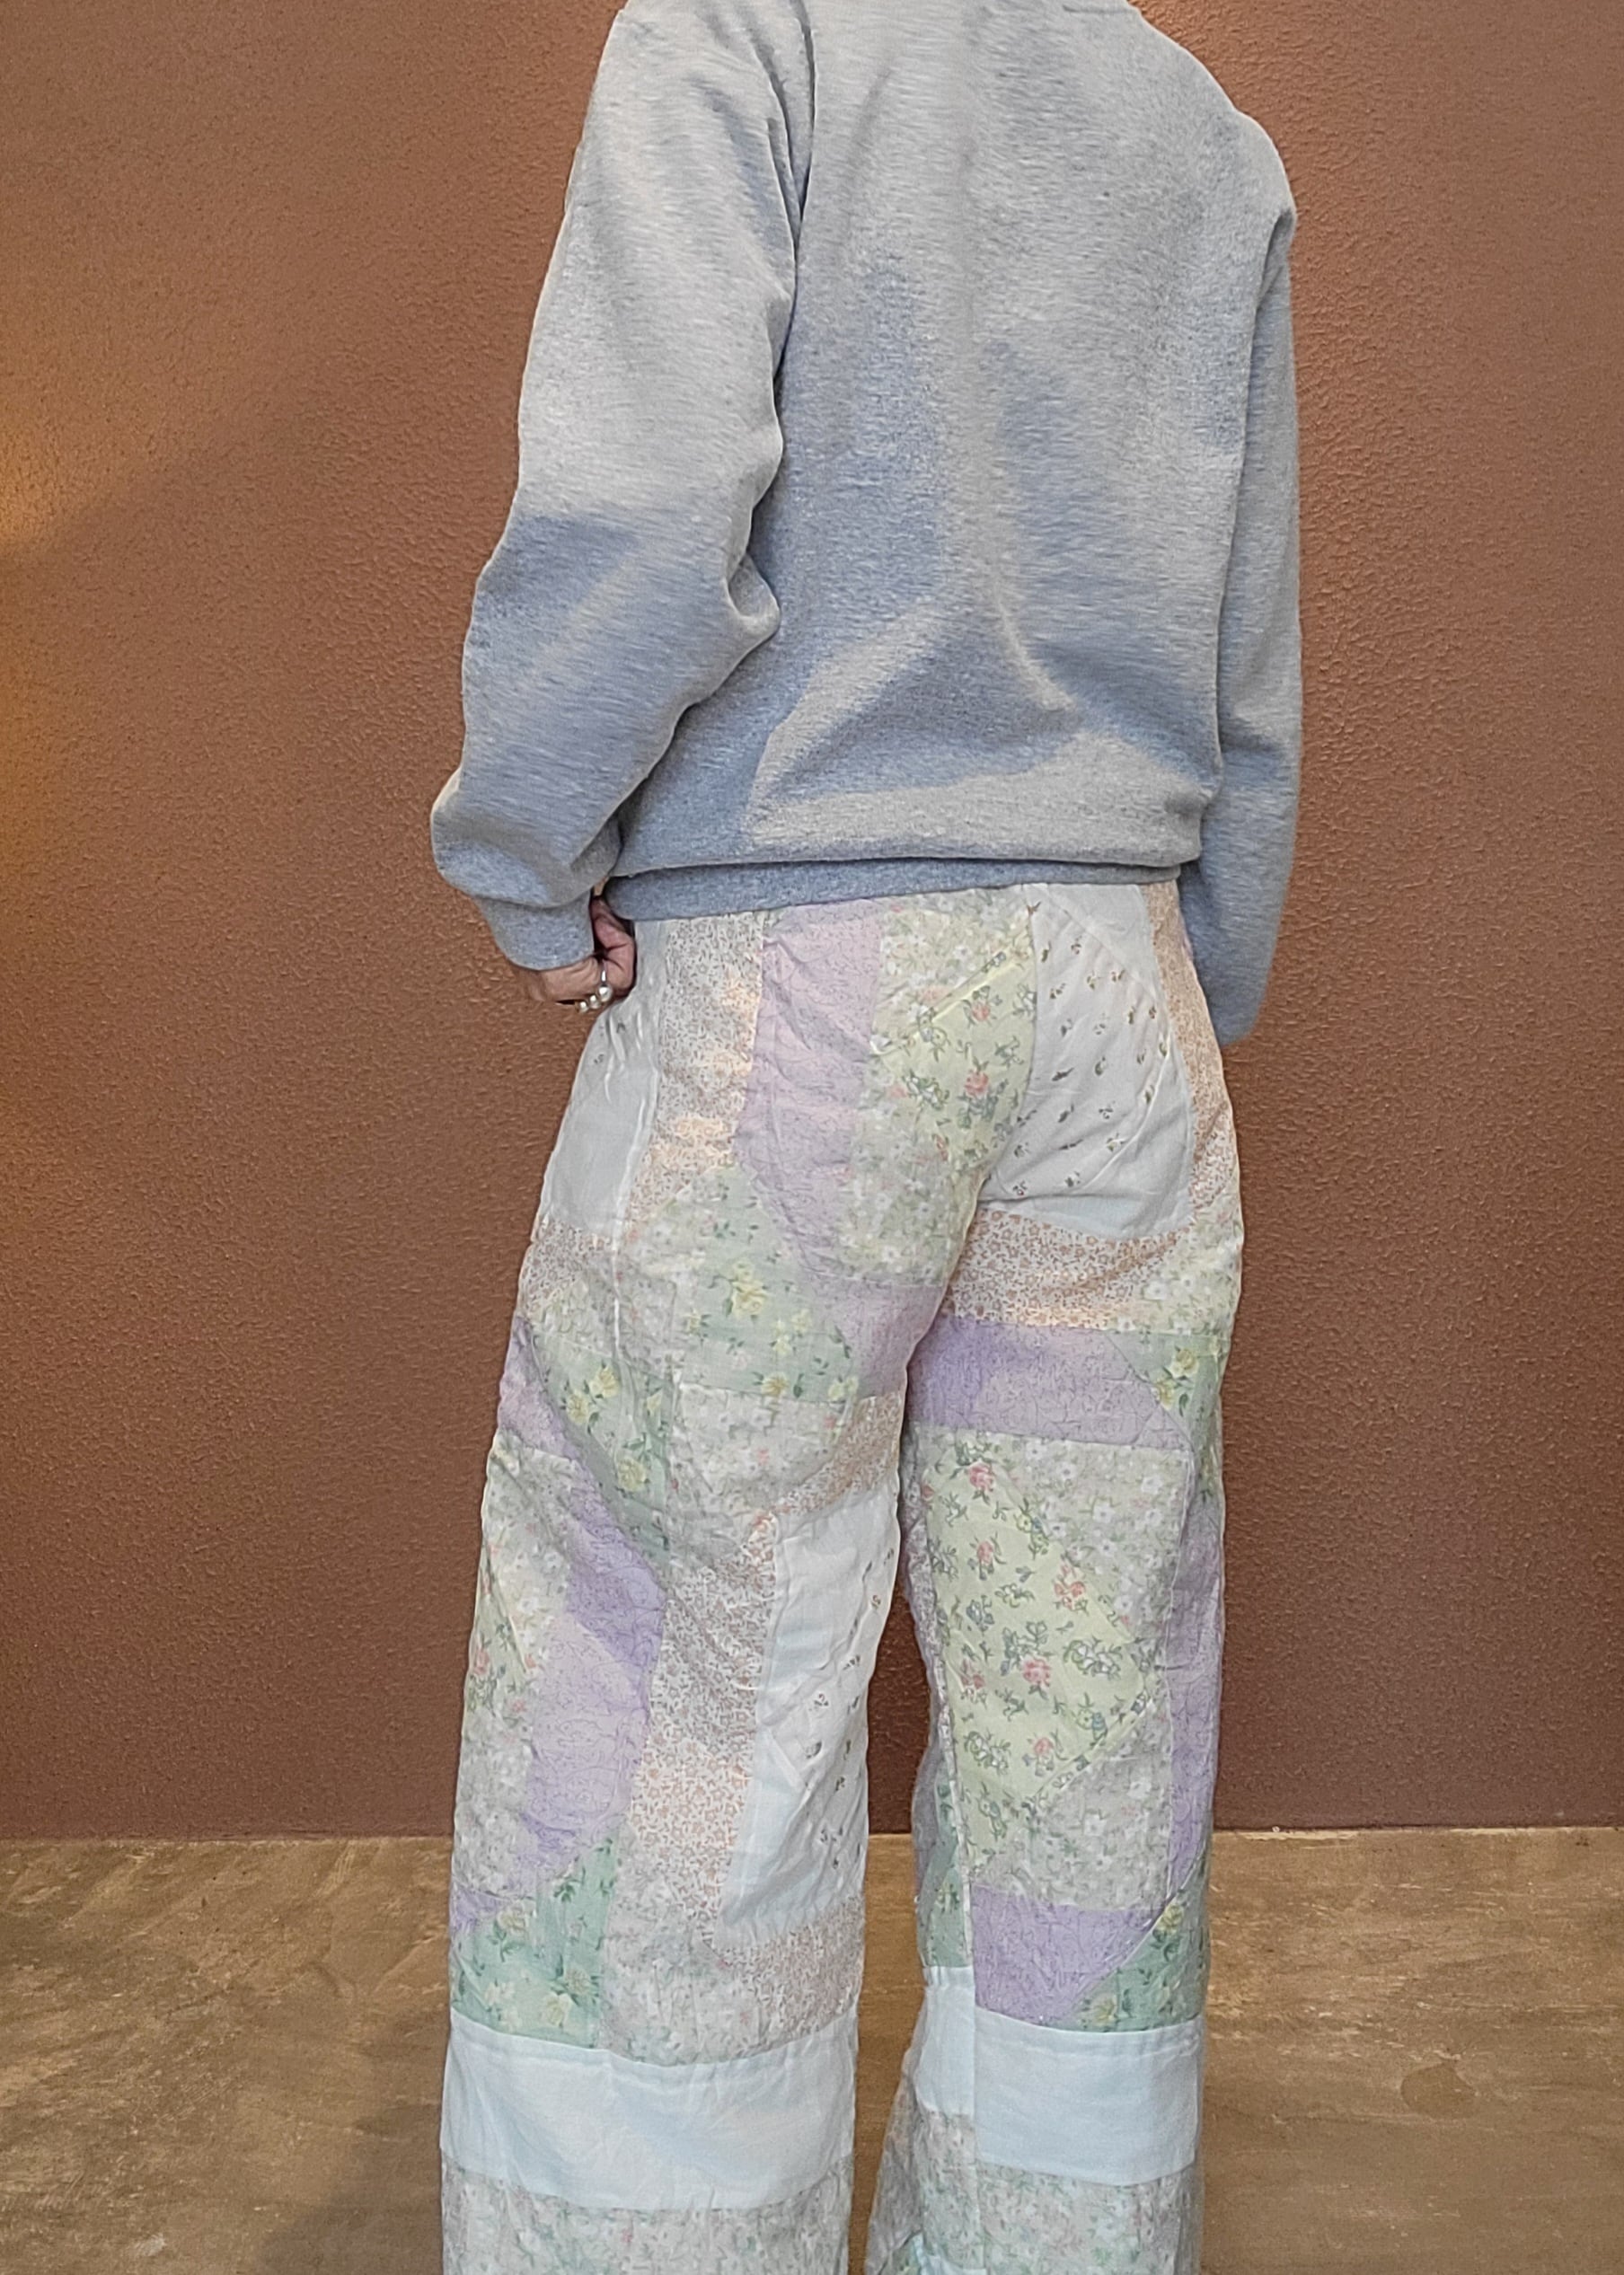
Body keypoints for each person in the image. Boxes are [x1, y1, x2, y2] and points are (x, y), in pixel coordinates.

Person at [428, 0, 1300, 2266]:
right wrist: (1183, 984)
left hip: (789, 998)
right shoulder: (1199, 128)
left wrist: (529, 851)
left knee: (678, 1676)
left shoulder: (745, 31)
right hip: (1112, 1003)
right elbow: (1244, 655)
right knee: (1084, 1710)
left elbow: (644, 510)